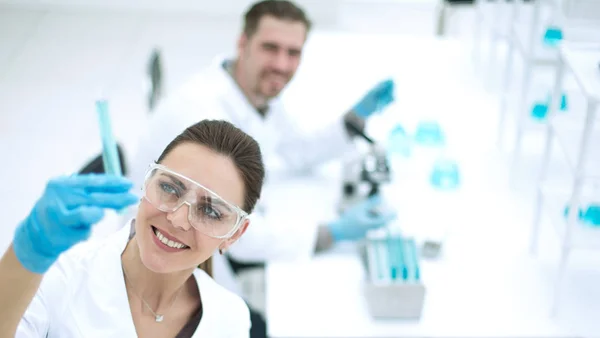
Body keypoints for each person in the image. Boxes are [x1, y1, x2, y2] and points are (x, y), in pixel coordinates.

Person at [126, 0, 397, 334]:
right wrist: (329, 234)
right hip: (167, 250)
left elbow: (297, 150)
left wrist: (356, 117)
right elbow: (230, 231)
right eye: (271, 48)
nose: (282, 65)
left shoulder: (253, 91)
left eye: (293, 52)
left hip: (201, 237)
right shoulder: (204, 115)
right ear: (243, 43)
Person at [0, 120, 265, 337]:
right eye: (170, 188)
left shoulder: (231, 317)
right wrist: (26, 254)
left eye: (210, 211)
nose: (178, 219)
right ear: (147, 181)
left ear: (234, 234)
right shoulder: (61, 277)